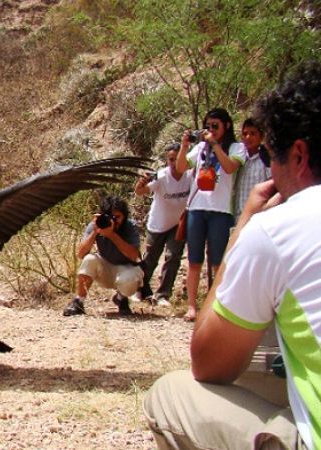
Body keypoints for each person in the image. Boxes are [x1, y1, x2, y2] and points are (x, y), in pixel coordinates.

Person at [143, 61, 321, 450]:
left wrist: (244, 228)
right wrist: (192, 145)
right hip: (202, 210)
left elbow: (207, 365)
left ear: (299, 155)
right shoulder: (200, 150)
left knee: (169, 395)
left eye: (272, 155)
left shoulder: (278, 227)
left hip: (227, 216)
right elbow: (177, 170)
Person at [175, 108, 246, 321]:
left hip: (221, 210)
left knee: (217, 261)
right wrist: (184, 146)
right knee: (194, 261)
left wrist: (215, 145)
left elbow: (230, 167)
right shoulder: (199, 148)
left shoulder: (236, 147)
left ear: (227, 126)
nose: (211, 130)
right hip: (197, 207)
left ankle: (216, 306)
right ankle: (192, 307)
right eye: (208, 126)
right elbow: (180, 168)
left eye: (215, 126)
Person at [63, 195, 143, 317]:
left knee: (131, 278)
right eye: (111, 217)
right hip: (104, 268)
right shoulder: (96, 225)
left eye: (118, 217)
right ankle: (79, 301)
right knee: (89, 259)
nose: (114, 221)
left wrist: (112, 235)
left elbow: (134, 256)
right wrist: (95, 231)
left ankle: (121, 298)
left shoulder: (130, 226)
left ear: (125, 216)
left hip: (125, 268)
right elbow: (81, 254)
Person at [134, 143, 191, 306]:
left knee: (173, 257)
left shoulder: (190, 175)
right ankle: (140, 291)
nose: (174, 163)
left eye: (177, 159)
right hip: (158, 223)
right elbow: (141, 192)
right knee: (150, 258)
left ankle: (163, 295)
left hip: (178, 223)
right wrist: (140, 185)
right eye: (170, 159)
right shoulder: (161, 176)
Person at [233, 118, 272, 222]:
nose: (248, 137)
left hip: (259, 217)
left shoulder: (266, 159)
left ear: (261, 136)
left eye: (253, 133)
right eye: (245, 134)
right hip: (238, 217)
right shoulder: (238, 159)